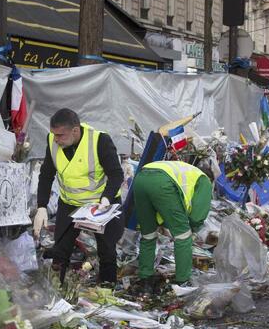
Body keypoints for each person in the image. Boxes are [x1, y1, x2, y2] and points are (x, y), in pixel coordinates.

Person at [33, 109, 124, 284]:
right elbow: (46, 175)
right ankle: (57, 287)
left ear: (75, 131)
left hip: (100, 205)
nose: (56, 139)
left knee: (107, 249)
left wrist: (106, 198)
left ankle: (107, 287)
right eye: (54, 134)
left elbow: (116, 175)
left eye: (60, 135)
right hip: (70, 203)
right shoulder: (52, 141)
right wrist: (42, 206)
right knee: (60, 248)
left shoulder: (99, 141)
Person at [132, 160, 212, 291]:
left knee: (148, 235)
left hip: (141, 178)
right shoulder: (204, 180)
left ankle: (145, 279)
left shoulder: (186, 169)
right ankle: (182, 282)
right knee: (183, 236)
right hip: (162, 182)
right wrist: (191, 228)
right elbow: (197, 217)